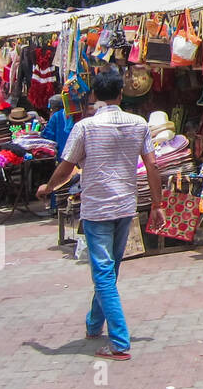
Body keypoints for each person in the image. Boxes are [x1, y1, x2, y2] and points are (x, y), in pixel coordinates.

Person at [36, 71, 162, 361]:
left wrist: (48, 187)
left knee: (104, 272)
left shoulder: (85, 128)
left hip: (97, 210)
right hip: (125, 207)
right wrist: (157, 204)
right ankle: (94, 323)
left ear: (93, 95)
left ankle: (119, 341)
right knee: (109, 270)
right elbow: (152, 167)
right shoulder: (139, 124)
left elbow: (66, 167)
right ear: (120, 94)